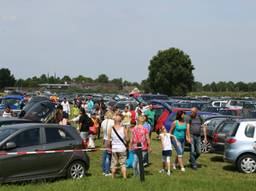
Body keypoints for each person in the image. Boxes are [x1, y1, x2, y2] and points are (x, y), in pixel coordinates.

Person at [107, 113, 128, 179]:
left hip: (114, 148)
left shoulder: (110, 129)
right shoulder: (124, 128)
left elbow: (108, 140)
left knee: (113, 163)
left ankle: (113, 177)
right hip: (122, 148)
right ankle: (124, 177)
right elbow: (127, 139)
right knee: (123, 164)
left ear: (114, 121)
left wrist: (108, 148)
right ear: (121, 121)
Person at [101, 111, 115, 176]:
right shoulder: (112, 122)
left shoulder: (103, 122)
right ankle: (107, 171)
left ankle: (104, 169)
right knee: (108, 156)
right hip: (110, 139)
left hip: (105, 138)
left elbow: (102, 131)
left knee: (105, 155)